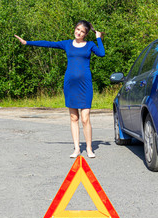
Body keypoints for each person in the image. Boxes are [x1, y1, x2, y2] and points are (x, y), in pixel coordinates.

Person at [15, 20, 105, 158]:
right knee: (74, 117)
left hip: (85, 85)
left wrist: (98, 38)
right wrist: (27, 42)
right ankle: (76, 149)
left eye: (82, 31)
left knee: (85, 118)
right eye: (77, 29)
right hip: (70, 85)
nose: (78, 32)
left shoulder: (90, 45)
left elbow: (102, 54)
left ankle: (89, 148)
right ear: (74, 29)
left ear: (86, 34)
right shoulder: (67, 44)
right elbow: (48, 43)